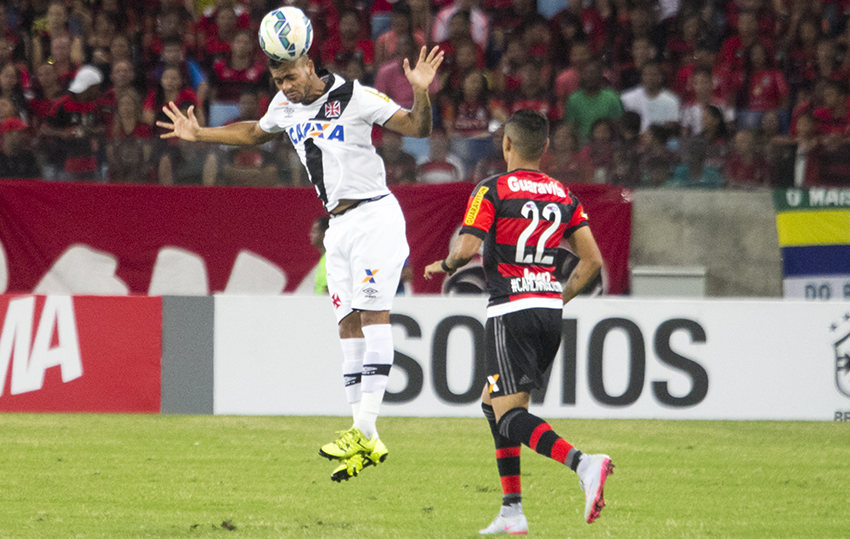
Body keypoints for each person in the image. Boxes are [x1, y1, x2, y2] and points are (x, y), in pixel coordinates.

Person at [158, 35, 444, 482]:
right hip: (339, 227)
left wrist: (421, 92)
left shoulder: (355, 96)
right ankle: (364, 435)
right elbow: (254, 132)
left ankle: (364, 431)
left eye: (290, 77)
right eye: (278, 80)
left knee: (374, 317)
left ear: (309, 64)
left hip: (374, 215)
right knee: (348, 326)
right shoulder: (284, 106)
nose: (286, 87)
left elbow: (417, 127)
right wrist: (200, 133)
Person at [424, 110, 613, 535]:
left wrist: (445, 264)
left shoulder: (492, 189)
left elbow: (467, 247)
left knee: (509, 416)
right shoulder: (564, 194)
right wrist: (555, 297)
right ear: (544, 148)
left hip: (511, 311)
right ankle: (512, 511)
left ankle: (584, 463)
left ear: (506, 144)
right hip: (548, 312)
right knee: (492, 404)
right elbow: (592, 261)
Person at [310, 216, 330, 294]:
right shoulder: (324, 259)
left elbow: (329, 290)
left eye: (314, 231)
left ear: (325, 233)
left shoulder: (330, 260)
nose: (310, 235)